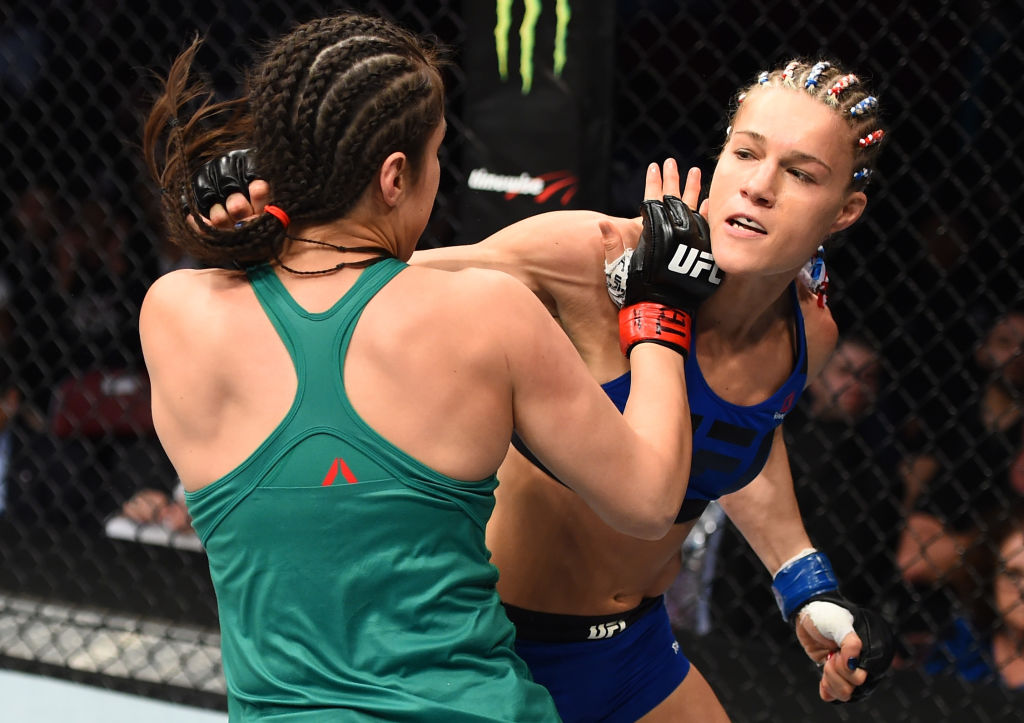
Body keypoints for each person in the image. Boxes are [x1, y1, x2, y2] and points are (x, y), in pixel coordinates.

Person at [199, 56, 895, 720]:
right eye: (746, 153)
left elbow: (736, 435)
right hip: (489, 654)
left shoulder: (810, 331)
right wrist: (275, 217)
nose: (760, 185)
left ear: (846, 209)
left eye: (801, 173)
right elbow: (375, 273)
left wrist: (805, 585)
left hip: (635, 655)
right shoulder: (591, 258)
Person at [140, 12, 719, 721]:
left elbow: (319, 281)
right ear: (393, 176)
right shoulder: (486, 315)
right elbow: (650, 500)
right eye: (438, 155)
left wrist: (267, 222)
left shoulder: (173, 314)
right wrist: (660, 311)